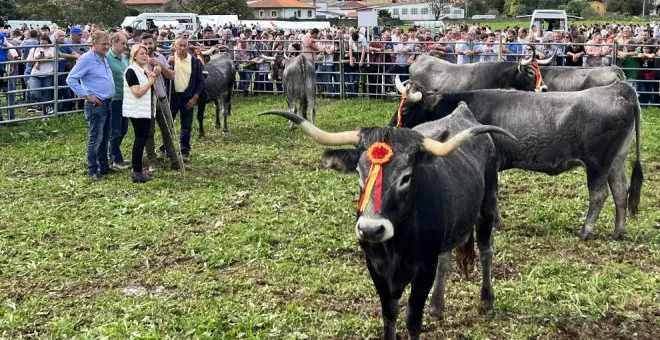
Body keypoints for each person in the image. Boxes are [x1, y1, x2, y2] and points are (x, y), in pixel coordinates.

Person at [66, 31, 115, 180]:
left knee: (105, 137)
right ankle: (93, 170)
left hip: (107, 101)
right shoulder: (86, 59)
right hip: (96, 104)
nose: (106, 47)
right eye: (103, 44)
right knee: (96, 138)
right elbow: (71, 79)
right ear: (93, 44)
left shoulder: (103, 58)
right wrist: (87, 95)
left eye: (108, 44)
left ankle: (104, 166)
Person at [140, 33, 181, 171]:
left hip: (162, 99)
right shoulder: (137, 60)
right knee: (149, 132)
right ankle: (152, 161)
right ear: (140, 44)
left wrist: (161, 66)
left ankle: (174, 159)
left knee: (168, 130)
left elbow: (171, 75)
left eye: (150, 43)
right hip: (147, 101)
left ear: (154, 43)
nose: (148, 46)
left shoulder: (161, 57)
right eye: (145, 44)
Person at [123, 43, 156, 183]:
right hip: (137, 110)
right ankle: (136, 171)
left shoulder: (142, 70)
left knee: (142, 138)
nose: (145, 55)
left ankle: (138, 168)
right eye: (141, 53)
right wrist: (150, 81)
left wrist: (150, 78)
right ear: (134, 56)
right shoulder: (131, 70)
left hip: (143, 109)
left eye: (146, 53)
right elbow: (137, 92)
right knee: (140, 139)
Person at [169, 37, 204, 164]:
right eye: (180, 45)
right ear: (175, 46)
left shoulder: (195, 62)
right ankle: (166, 148)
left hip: (187, 98)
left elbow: (200, 82)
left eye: (185, 46)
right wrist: (167, 64)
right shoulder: (170, 60)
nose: (182, 48)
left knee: (186, 126)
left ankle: (184, 151)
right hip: (172, 97)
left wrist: (195, 98)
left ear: (188, 47)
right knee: (168, 124)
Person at [107, 32, 130, 170]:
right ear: (114, 42)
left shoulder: (124, 58)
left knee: (124, 129)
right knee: (115, 130)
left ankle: (114, 152)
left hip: (125, 97)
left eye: (125, 43)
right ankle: (116, 158)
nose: (125, 46)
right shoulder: (107, 58)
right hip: (114, 98)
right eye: (122, 43)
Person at [27, 34, 56, 115]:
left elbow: (50, 56)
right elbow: (29, 61)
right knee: (35, 93)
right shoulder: (34, 49)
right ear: (39, 41)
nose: (44, 45)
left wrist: (38, 60)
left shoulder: (52, 48)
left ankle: (45, 115)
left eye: (45, 44)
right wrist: (37, 59)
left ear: (48, 42)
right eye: (42, 43)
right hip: (35, 75)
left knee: (47, 94)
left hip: (48, 74)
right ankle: (49, 105)